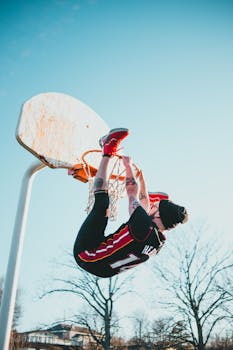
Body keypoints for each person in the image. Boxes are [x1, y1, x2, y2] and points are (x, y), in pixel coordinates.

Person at [70, 128, 188, 278]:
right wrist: (143, 180)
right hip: (102, 267)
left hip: (86, 254)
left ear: (158, 215)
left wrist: (128, 166)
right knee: (117, 210)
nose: (151, 205)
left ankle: (107, 149)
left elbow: (132, 192)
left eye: (154, 206)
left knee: (102, 203)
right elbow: (144, 205)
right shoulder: (158, 243)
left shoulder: (143, 225)